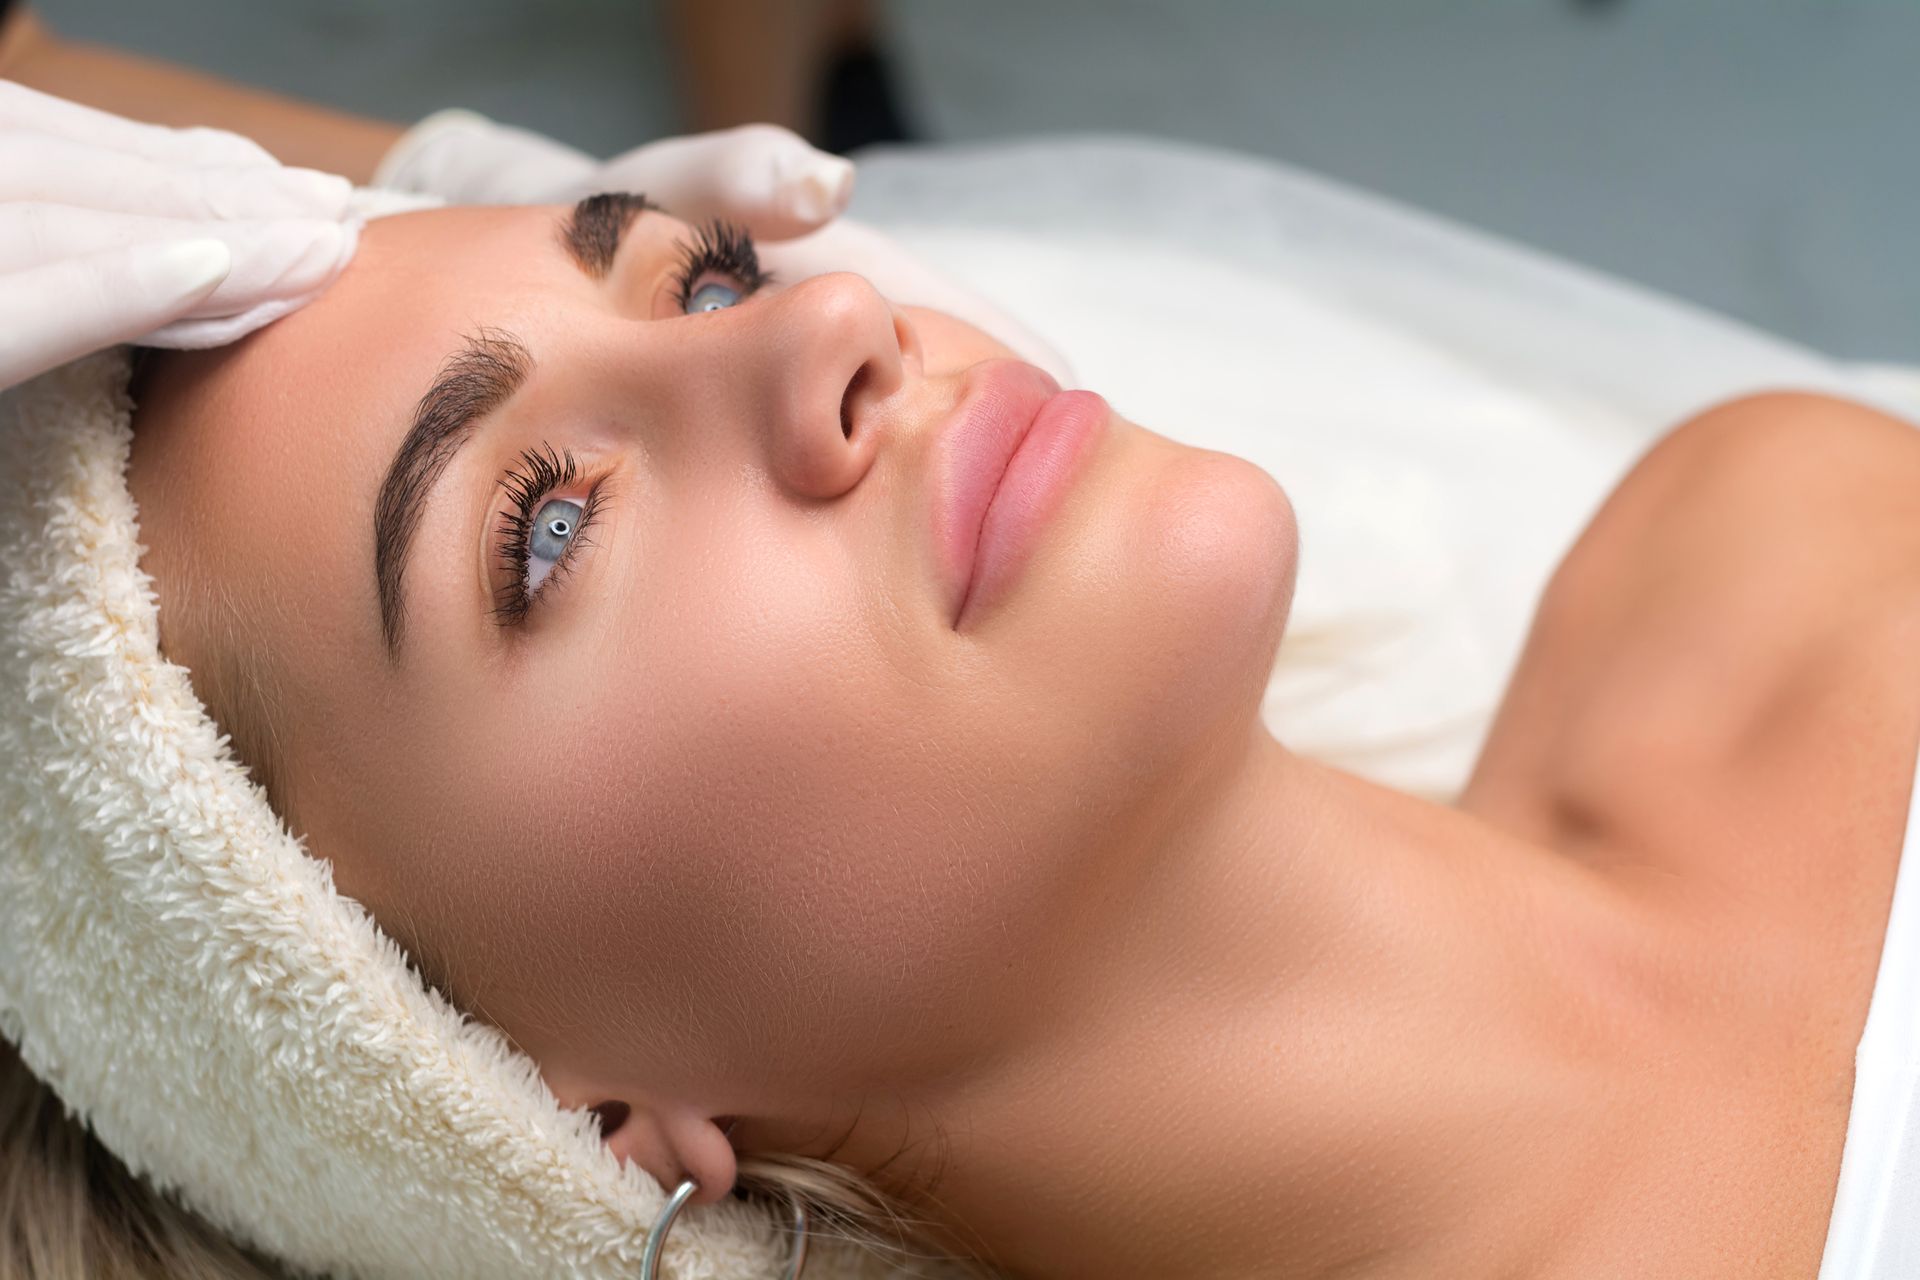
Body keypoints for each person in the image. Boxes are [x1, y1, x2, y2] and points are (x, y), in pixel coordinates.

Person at [87, 191, 1920, 1277]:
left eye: (699, 273)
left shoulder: (1780, 534)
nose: (825, 319)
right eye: (547, 525)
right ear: (532, 1100)